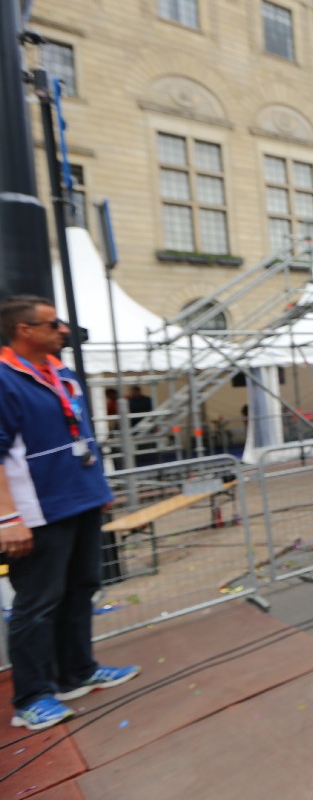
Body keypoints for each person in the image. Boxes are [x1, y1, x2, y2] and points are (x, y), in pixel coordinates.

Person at [0, 296, 141, 731]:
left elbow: (82, 434)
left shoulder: (62, 373)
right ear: (24, 330)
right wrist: (7, 518)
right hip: (39, 512)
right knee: (37, 604)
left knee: (82, 588)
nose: (63, 330)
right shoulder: (4, 378)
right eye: (53, 324)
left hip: (82, 500)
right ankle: (32, 697)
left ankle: (76, 673)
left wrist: (99, 487)